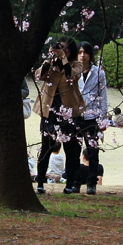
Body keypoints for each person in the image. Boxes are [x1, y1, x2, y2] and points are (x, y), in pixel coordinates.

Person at [33, 37, 85, 195]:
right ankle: (40, 183)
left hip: (69, 111)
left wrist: (63, 59)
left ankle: (69, 185)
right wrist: (50, 59)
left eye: (65, 49)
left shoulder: (76, 64)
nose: (62, 51)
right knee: (46, 147)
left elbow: (71, 77)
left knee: (71, 150)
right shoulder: (51, 63)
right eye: (60, 48)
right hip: (49, 110)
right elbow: (38, 76)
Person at [76, 41, 107, 194]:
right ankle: (74, 181)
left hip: (92, 115)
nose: (83, 56)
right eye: (80, 52)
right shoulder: (72, 71)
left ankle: (91, 183)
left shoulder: (98, 72)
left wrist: (103, 118)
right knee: (74, 150)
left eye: (85, 52)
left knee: (92, 150)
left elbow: (103, 95)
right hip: (75, 114)